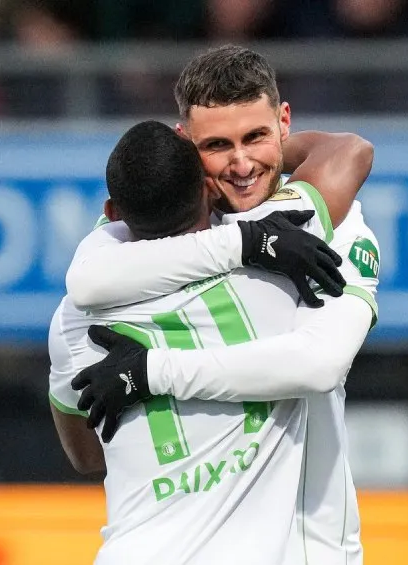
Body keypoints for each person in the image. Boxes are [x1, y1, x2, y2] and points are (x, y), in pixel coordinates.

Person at [67, 45, 379, 564]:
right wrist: (246, 242)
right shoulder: (148, 236)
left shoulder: (335, 226)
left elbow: (320, 362)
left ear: (284, 121)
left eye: (255, 136)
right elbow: (85, 280)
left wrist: (151, 373)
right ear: (185, 146)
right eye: (217, 145)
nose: (240, 165)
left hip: (312, 551)